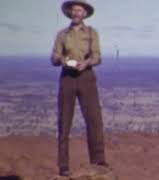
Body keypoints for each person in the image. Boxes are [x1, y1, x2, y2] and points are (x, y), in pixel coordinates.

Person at [50, 0, 108, 176]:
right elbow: (53, 58)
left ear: (84, 14)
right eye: (74, 10)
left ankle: (98, 161)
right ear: (70, 13)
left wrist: (87, 62)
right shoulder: (62, 34)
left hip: (86, 77)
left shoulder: (92, 33)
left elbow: (98, 56)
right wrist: (61, 60)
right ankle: (64, 166)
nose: (76, 13)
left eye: (80, 10)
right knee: (64, 121)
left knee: (94, 119)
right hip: (67, 78)